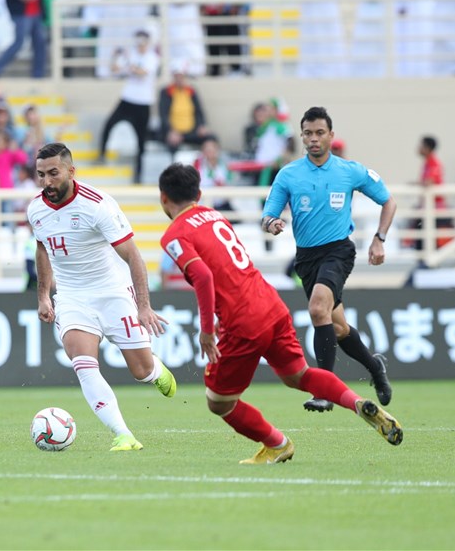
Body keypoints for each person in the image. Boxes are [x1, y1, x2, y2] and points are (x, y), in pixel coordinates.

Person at [158, 162, 402, 464]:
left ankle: (277, 443)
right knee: (298, 375)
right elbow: (227, 269)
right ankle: (356, 402)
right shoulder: (214, 216)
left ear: (163, 198)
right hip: (270, 304)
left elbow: (206, 277)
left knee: (219, 402)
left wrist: (207, 329)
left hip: (243, 321)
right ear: (198, 192)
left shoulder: (174, 236)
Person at [27, 142, 177, 451]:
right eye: (41, 175)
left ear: (71, 170)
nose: (47, 182)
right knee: (83, 364)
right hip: (71, 297)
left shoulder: (97, 205)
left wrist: (144, 306)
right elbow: (42, 249)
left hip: (112, 293)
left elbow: (133, 256)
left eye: (53, 173)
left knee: (140, 370)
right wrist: (44, 295)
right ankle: (124, 434)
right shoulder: (36, 209)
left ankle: (154, 370)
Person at [262, 106, 395, 413]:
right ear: (302, 136)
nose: (314, 139)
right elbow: (268, 215)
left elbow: (388, 201)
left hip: (338, 250)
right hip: (307, 258)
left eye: (320, 133)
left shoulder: (350, 171)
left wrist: (379, 239)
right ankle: (375, 366)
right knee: (337, 327)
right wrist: (273, 224)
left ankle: (325, 390)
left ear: (331, 136)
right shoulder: (289, 174)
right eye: (308, 133)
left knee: (317, 308)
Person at [97, 29, 158, 184]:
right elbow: (114, 69)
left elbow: (142, 72)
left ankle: (138, 174)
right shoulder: (131, 54)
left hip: (143, 102)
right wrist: (116, 56)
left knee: (141, 141)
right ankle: (101, 155)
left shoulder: (152, 57)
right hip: (128, 99)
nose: (140, 44)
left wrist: (128, 61)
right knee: (109, 124)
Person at [158, 61, 211, 157]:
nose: (179, 79)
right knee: (172, 145)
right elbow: (163, 115)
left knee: (211, 139)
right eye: (177, 76)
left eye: (181, 76)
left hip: (191, 131)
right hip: (174, 132)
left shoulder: (191, 91)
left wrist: (201, 126)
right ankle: (175, 171)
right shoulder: (166, 92)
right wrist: (171, 131)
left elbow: (199, 111)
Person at [0, 0, 47, 78]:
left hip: (37, 12)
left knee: (40, 43)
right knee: (19, 43)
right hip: (21, 13)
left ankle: (38, 75)